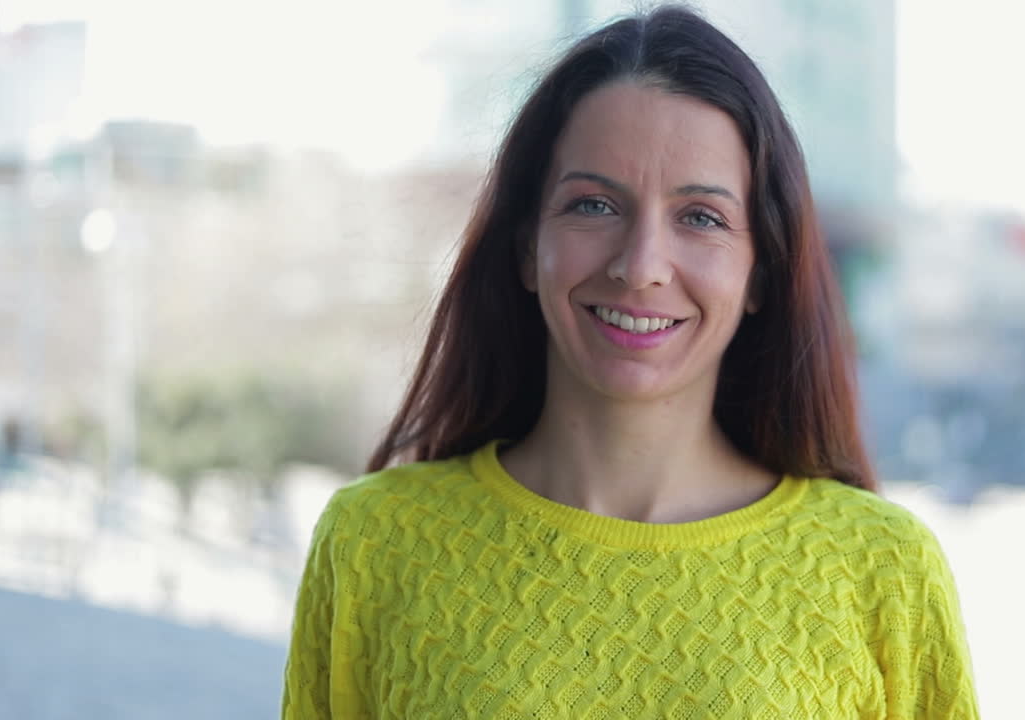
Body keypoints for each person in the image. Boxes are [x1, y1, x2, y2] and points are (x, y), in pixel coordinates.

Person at [282, 6, 978, 718]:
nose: (641, 265)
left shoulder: (883, 569)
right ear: (528, 246)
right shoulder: (376, 544)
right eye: (593, 205)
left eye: (701, 217)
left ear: (761, 271)